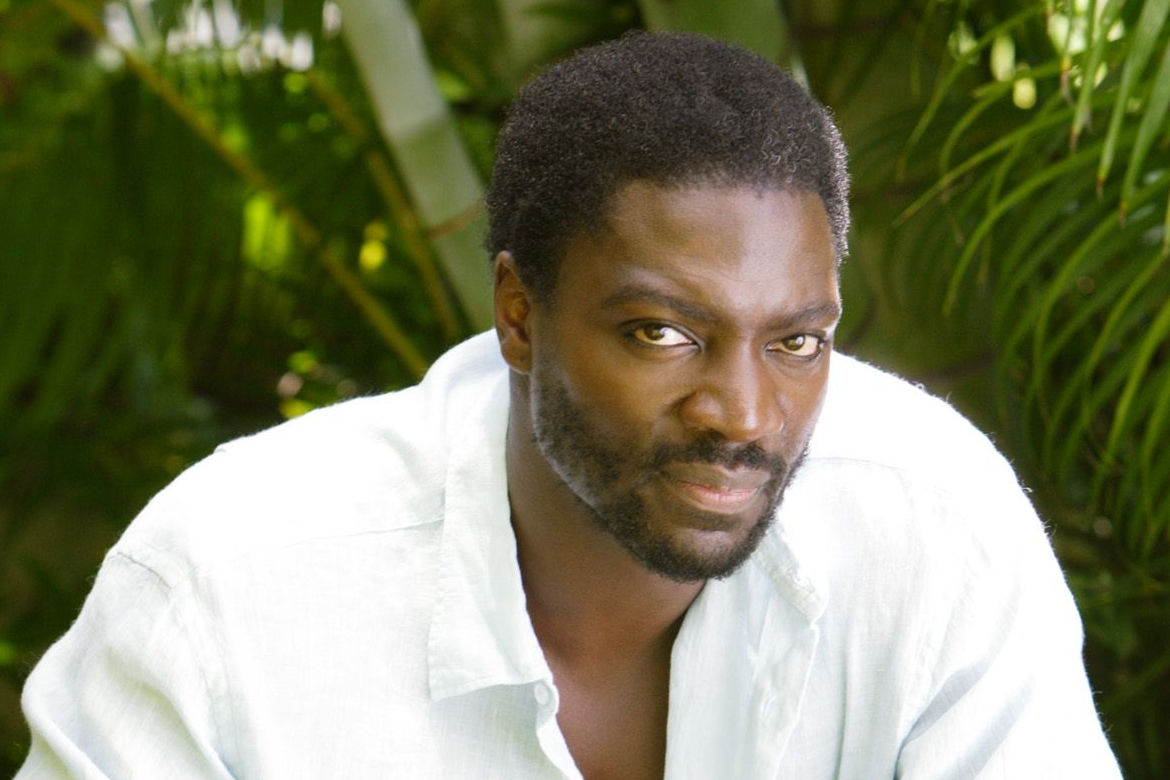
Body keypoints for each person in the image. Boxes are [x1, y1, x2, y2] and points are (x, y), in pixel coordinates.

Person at [19, 32, 1120, 779]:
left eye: (796, 342)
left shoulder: (933, 531)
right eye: (663, 333)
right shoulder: (225, 589)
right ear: (519, 315)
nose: (743, 415)